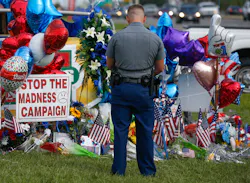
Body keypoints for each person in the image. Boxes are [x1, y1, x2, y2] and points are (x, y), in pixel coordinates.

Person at [106, 4, 165, 176]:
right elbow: (160, 68)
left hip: (121, 88)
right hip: (144, 90)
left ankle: (118, 170)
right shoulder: (155, 39)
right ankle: (147, 171)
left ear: (128, 18)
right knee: (145, 131)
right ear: (144, 18)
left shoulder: (117, 37)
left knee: (120, 130)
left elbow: (109, 64)